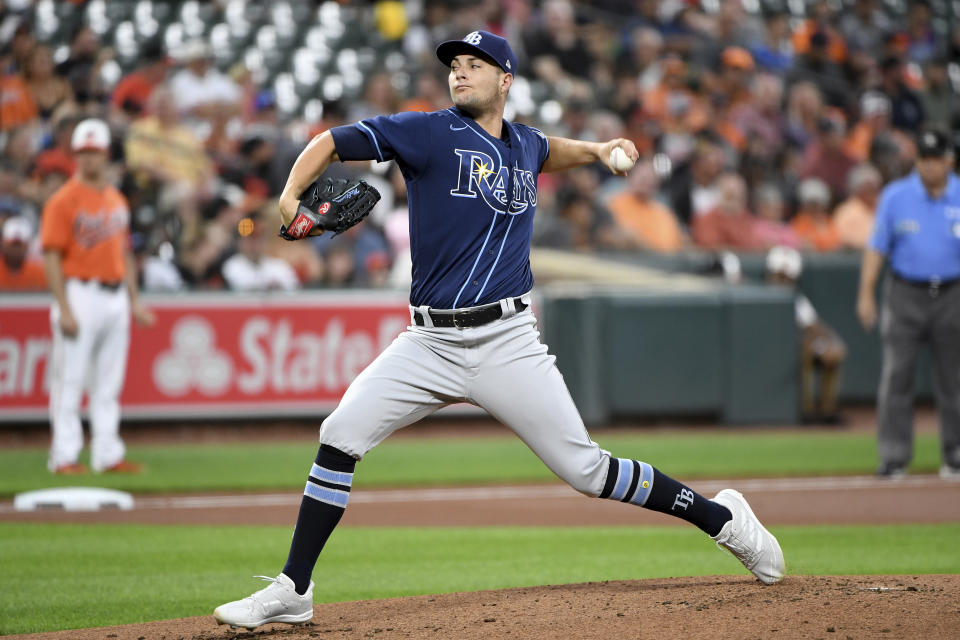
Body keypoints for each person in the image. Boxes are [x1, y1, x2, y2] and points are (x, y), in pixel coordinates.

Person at [212, 30, 784, 631]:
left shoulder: (524, 144)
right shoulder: (427, 132)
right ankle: (293, 588)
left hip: (507, 341)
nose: (460, 74)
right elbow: (332, 140)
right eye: (455, 65)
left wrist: (595, 149)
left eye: (474, 66)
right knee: (339, 433)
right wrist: (290, 193)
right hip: (429, 342)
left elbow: (547, 149)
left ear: (505, 80)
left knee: (587, 471)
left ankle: (722, 520)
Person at [40, 118, 155, 475]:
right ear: (75, 155)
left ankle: (107, 453)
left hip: (115, 294)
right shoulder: (63, 200)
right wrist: (63, 306)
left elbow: (124, 255)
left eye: (94, 151)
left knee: (109, 381)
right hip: (80, 292)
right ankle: (64, 456)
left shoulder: (116, 199)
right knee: (70, 379)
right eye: (82, 152)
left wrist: (134, 301)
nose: (88, 158)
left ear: (106, 154)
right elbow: (51, 255)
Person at [857, 128, 960, 480]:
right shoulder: (897, 196)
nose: (929, 166)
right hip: (905, 293)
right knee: (896, 377)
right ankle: (894, 456)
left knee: (955, 379)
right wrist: (865, 292)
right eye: (924, 159)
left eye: (935, 159)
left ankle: (956, 454)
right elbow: (877, 247)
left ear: (949, 160)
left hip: (952, 293)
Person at [766, 246, 846, 424]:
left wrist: (830, 343)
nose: (783, 281)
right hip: (772, 353)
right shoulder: (759, 298)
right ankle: (805, 411)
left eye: (788, 277)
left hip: (799, 347)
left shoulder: (797, 300)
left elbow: (814, 326)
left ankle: (827, 411)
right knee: (806, 350)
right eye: (780, 276)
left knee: (830, 351)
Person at [0, 216, 47, 291]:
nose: (16, 249)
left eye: (19, 245)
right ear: (3, 243)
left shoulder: (39, 272)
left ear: (27, 245)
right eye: (13, 244)